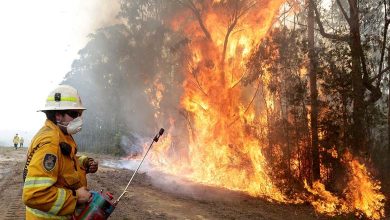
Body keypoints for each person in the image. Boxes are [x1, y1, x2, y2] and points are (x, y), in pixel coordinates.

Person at [22, 85, 98, 219]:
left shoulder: (61, 135)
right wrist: (75, 198)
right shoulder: (50, 142)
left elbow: (63, 162)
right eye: (74, 114)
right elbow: (34, 194)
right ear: (58, 115)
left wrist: (84, 162)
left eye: (80, 114)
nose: (79, 119)